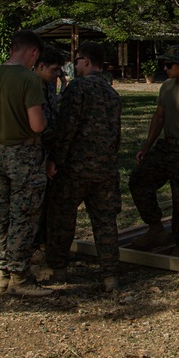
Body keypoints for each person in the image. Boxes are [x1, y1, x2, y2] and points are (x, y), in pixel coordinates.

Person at [0, 29, 53, 296]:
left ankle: (2, 274)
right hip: (25, 155)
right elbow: (37, 124)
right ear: (33, 52)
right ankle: (20, 277)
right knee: (24, 215)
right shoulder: (29, 80)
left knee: (0, 214)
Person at [45, 42, 123, 293]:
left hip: (75, 168)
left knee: (62, 217)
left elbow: (66, 128)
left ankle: (58, 268)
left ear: (86, 61)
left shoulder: (78, 88)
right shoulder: (112, 93)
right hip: (105, 169)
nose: (74, 66)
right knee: (105, 222)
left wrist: (55, 158)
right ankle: (110, 274)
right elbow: (116, 134)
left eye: (76, 61)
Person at [129, 45, 179, 255]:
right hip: (166, 147)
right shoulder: (167, 87)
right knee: (138, 181)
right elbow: (159, 117)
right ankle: (155, 229)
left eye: (169, 63)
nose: (165, 67)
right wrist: (146, 146)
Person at [30, 45, 67, 261]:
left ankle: (44, 241)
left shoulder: (48, 85)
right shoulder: (30, 86)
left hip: (51, 149)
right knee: (34, 203)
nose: (57, 75)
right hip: (35, 151)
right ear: (41, 66)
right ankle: (34, 245)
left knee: (49, 201)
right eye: (54, 70)